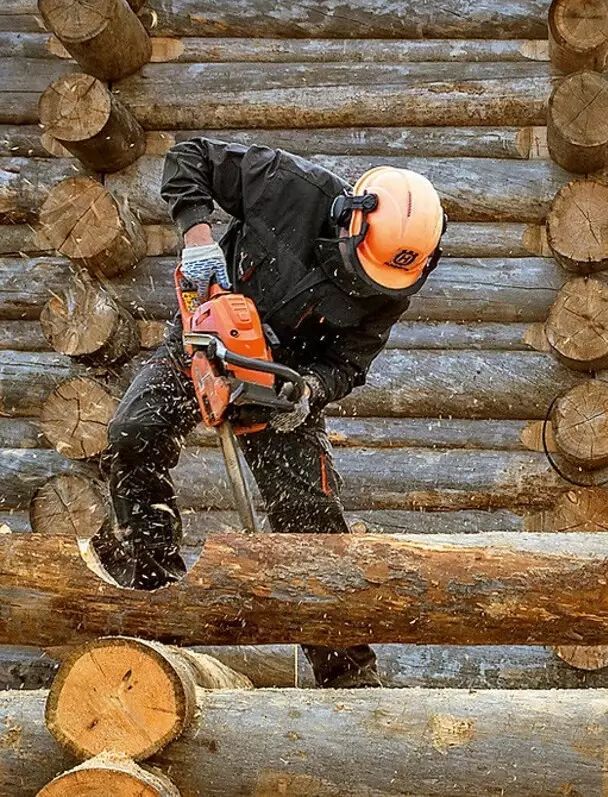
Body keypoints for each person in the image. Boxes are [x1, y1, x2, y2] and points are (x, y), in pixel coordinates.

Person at [92, 138, 446, 689]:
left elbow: (347, 364)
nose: (366, 284)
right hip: (207, 337)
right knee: (134, 433)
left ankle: (347, 674)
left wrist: (308, 391)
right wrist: (198, 237)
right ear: (352, 218)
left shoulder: (392, 288)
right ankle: (156, 596)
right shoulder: (290, 187)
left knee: (309, 516)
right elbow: (189, 158)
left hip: (279, 382)